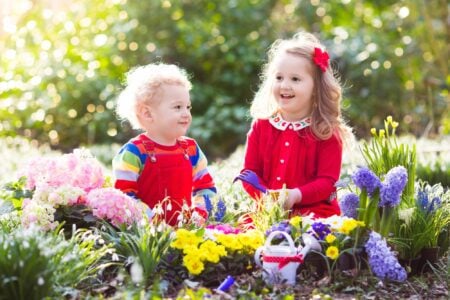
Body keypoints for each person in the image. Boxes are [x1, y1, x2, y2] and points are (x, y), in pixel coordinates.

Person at [237, 32, 353, 218]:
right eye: (279, 77)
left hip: (313, 215)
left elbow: (327, 182)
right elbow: (249, 173)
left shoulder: (325, 131)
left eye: (295, 79)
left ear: (316, 87)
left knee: (312, 241)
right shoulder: (262, 125)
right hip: (267, 213)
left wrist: (295, 196)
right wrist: (266, 199)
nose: (285, 85)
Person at [113, 63, 217, 226]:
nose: (186, 114)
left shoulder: (191, 149)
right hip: (148, 240)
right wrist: (154, 224)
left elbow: (206, 187)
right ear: (147, 113)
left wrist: (199, 214)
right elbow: (125, 196)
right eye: (177, 107)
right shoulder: (134, 152)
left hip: (186, 234)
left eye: (188, 107)